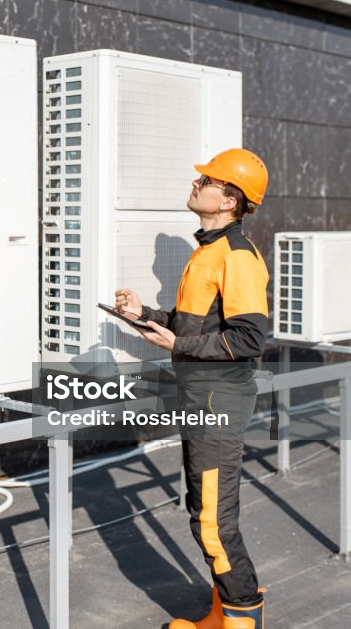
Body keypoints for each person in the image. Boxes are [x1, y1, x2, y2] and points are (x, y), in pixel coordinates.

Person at [114, 148, 270, 629]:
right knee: (204, 510)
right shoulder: (208, 251)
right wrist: (147, 317)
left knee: (212, 520)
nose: (196, 182)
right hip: (201, 396)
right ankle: (225, 612)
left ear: (229, 200)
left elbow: (249, 337)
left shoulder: (237, 256)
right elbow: (193, 324)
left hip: (217, 399)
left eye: (206, 179)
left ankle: (243, 617)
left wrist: (178, 341)